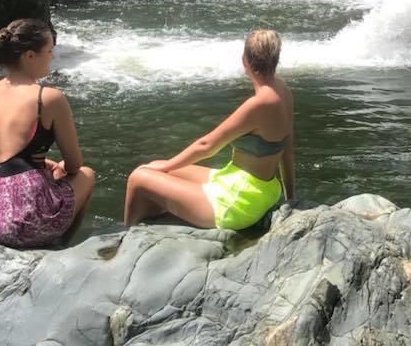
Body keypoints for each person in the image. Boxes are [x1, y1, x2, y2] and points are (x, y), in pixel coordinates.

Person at [124, 29, 295, 230]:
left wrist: (167, 166)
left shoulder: (259, 103)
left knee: (139, 177)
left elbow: (207, 146)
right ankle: (151, 221)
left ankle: (124, 236)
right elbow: (288, 147)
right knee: (156, 165)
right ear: (276, 60)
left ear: (244, 61)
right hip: (262, 189)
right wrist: (290, 197)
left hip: (239, 203)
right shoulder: (283, 90)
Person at [0, 18, 95, 247]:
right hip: (22, 225)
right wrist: (60, 167)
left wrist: (44, 164)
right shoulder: (48, 98)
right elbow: (74, 165)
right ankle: (61, 244)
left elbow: (2, 155)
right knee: (86, 174)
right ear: (30, 56)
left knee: (53, 172)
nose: (52, 57)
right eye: (49, 51)